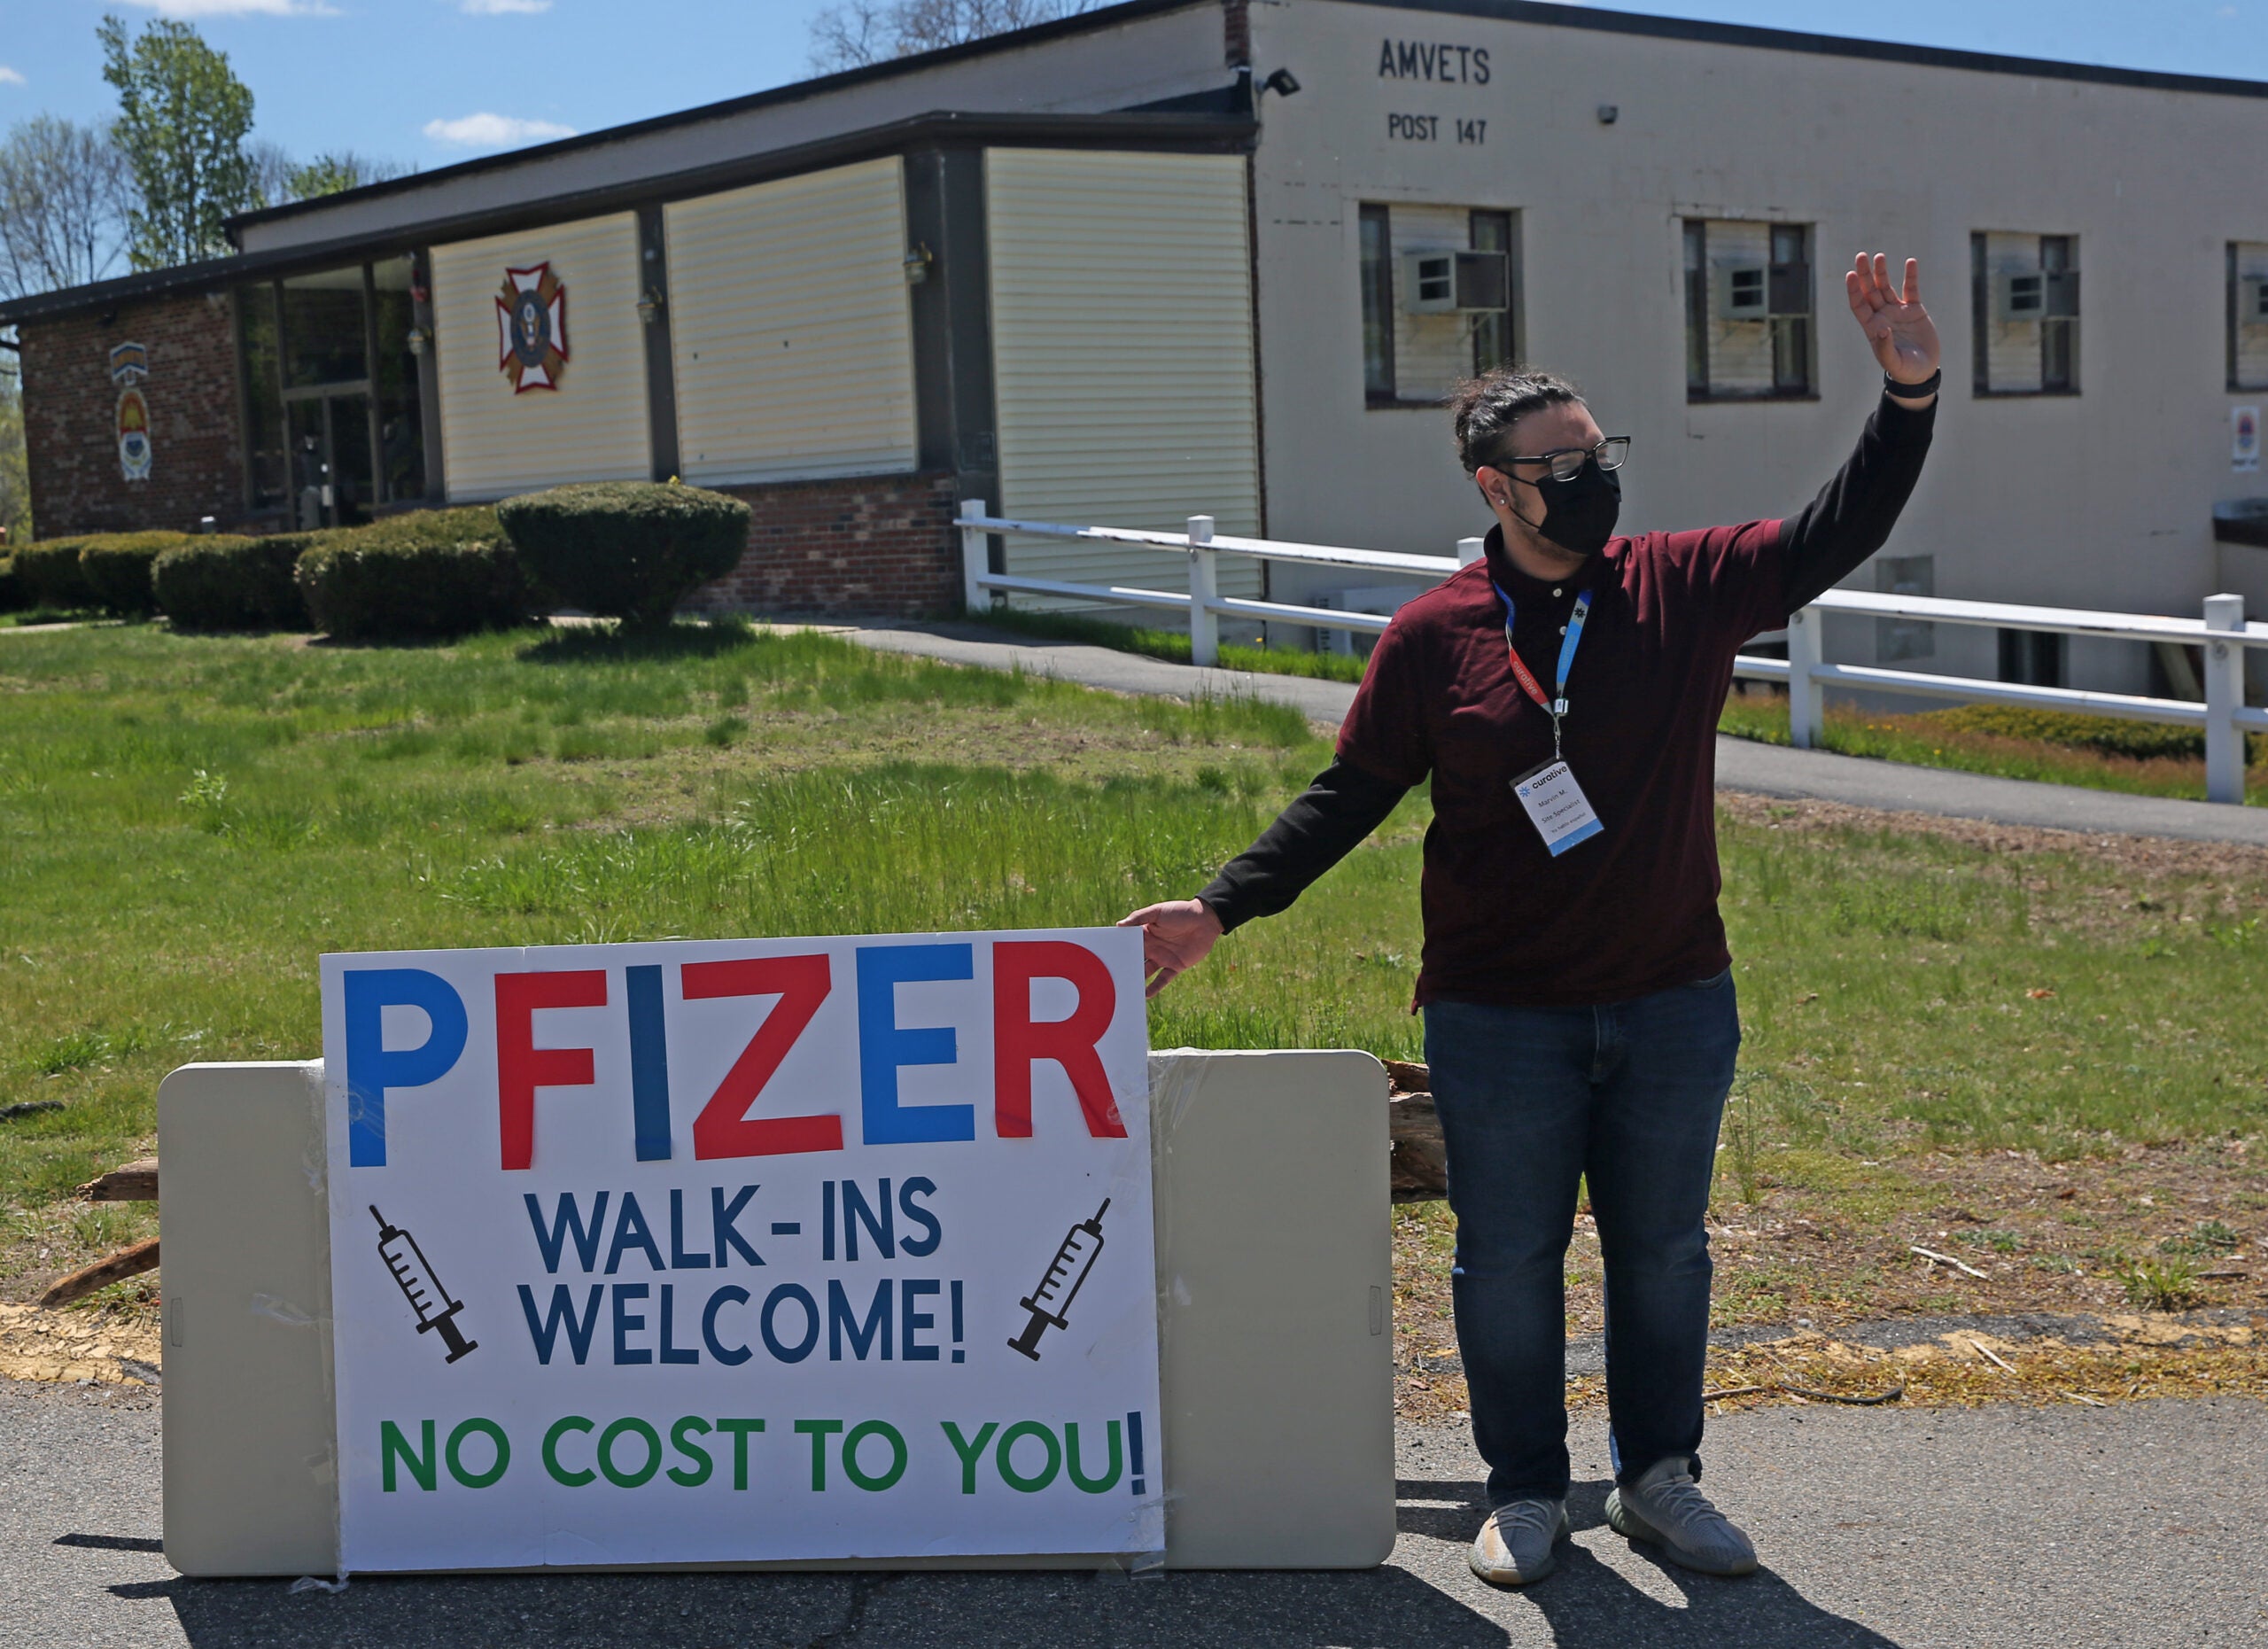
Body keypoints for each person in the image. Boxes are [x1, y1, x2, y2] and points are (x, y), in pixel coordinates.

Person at [1122, 253, 1940, 1586]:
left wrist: (1908, 391)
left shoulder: (1686, 586)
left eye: (1596, 448)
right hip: (1498, 1015)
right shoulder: (1434, 637)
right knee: (1506, 1259)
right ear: (1495, 487)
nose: (1591, 474)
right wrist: (1222, 908)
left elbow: (1834, 529)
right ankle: (1524, 1491)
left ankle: (1662, 1480)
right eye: (1560, 462)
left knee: (1665, 1253)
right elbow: (1351, 795)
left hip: (1674, 996)